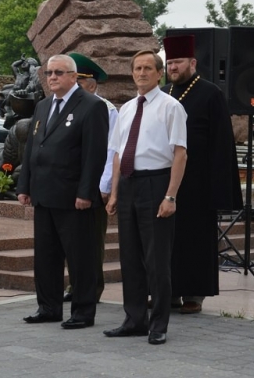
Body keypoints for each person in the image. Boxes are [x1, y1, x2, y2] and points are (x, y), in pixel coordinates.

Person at [16, 54, 108, 329]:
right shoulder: (43, 106)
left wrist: (86, 192)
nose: (52, 77)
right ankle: (48, 307)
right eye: (49, 73)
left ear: (73, 76)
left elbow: (94, 155)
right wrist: (24, 185)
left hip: (73, 198)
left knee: (80, 258)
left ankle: (82, 312)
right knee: (46, 256)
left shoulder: (91, 106)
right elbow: (32, 147)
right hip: (44, 195)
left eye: (58, 72)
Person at [104, 50, 187, 346]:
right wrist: (114, 193)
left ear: (159, 73)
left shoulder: (171, 107)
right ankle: (134, 319)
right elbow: (117, 154)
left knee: (156, 259)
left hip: (156, 183)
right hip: (128, 185)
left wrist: (171, 196)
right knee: (130, 258)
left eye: (147, 68)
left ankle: (158, 324)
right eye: (137, 68)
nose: (141, 73)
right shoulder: (126, 108)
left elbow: (180, 154)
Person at [162, 35, 241, 314]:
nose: (173, 67)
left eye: (178, 62)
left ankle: (194, 294)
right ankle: (167, 293)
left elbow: (222, 144)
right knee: (167, 240)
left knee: (194, 240)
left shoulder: (210, 93)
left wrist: (219, 191)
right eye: (169, 62)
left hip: (199, 183)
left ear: (192, 62)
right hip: (167, 180)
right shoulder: (164, 93)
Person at [62, 53, 118, 303]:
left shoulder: (105, 109)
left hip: (94, 184)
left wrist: (105, 184)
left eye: (80, 81)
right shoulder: (67, 105)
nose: (76, 86)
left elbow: (111, 149)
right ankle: (75, 285)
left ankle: (92, 289)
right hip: (69, 183)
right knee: (71, 239)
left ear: (92, 84)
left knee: (92, 241)